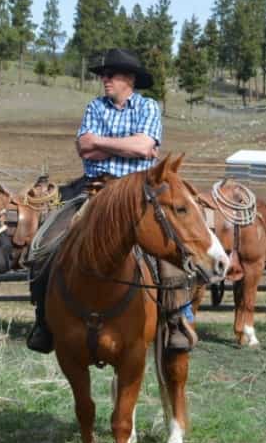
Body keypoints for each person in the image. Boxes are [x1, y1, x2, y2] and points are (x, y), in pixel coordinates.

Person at [26, 47, 197, 353]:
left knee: (169, 250)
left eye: (111, 74)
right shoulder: (94, 107)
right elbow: (84, 149)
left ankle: (177, 321)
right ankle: (44, 320)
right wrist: (125, 146)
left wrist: (102, 143)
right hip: (94, 192)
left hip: (136, 196)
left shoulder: (148, 107)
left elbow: (145, 148)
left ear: (128, 79)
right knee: (44, 244)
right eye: (103, 74)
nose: (104, 79)